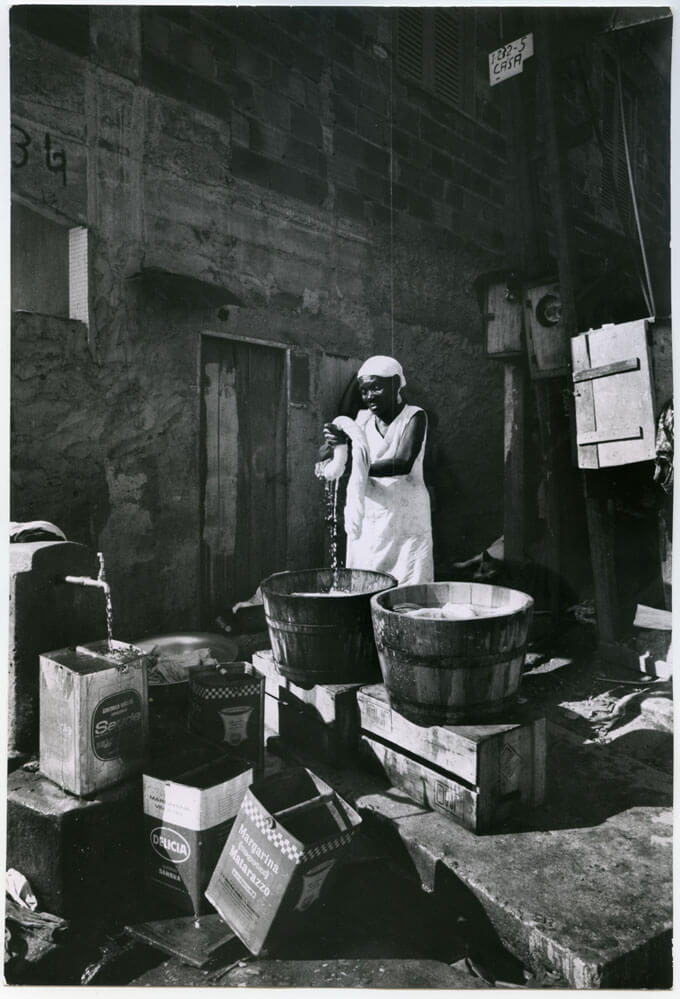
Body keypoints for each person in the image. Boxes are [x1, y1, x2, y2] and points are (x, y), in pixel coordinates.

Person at [321, 355, 434, 585]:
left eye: (376, 388)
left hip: (406, 518)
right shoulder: (361, 420)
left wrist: (354, 466)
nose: (369, 396)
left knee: (408, 585)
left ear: (395, 383)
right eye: (364, 391)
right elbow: (326, 456)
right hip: (371, 520)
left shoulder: (414, 416)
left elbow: (402, 462)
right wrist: (335, 444)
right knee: (367, 581)